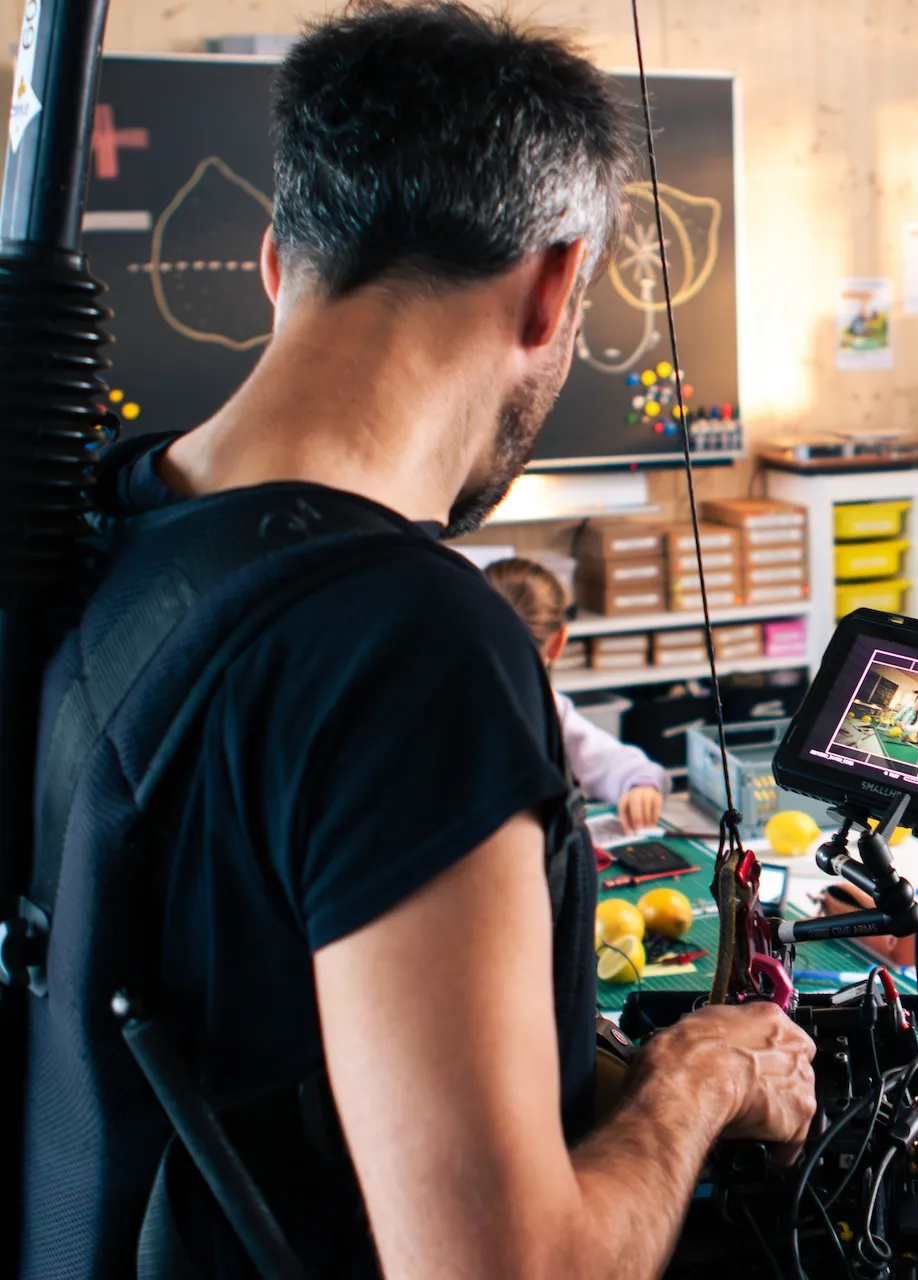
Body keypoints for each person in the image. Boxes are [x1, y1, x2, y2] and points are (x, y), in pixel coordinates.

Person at [19, 6, 813, 1276]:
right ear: (556, 286)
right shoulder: (409, 645)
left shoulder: (105, 522)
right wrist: (694, 1080)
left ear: (281, 262)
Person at [484, 557, 667, 831]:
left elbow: (608, 760)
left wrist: (640, 784)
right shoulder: (543, 709)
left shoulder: (551, 709)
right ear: (558, 643)